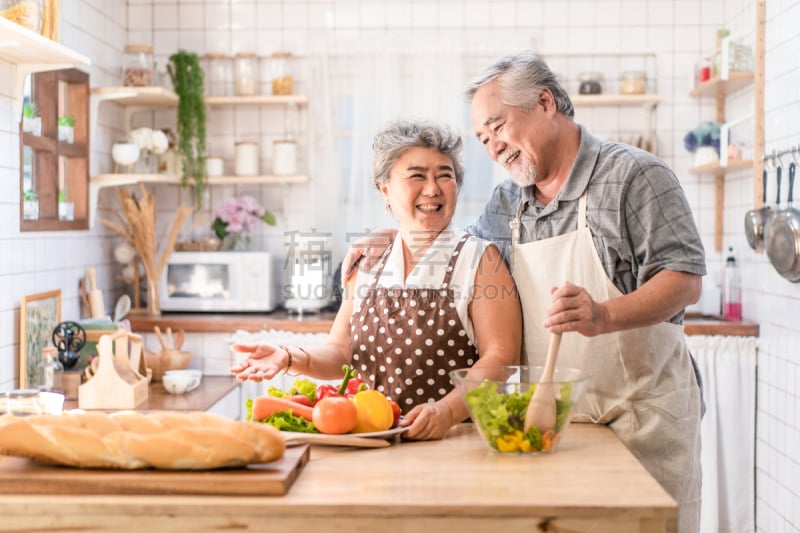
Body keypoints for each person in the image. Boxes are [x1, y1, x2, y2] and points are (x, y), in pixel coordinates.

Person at [345, 53, 706, 533]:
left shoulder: (634, 175)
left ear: (544, 102)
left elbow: (684, 278)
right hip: (553, 427)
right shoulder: (508, 201)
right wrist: (392, 233)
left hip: (642, 419)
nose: (493, 146)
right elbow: (454, 245)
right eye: (483, 138)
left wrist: (603, 315)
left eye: (497, 126)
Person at [230, 119, 522, 441]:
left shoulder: (479, 258)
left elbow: (501, 356)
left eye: (445, 175)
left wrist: (447, 411)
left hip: (457, 440)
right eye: (416, 176)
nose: (433, 189)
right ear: (385, 188)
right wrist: (289, 356)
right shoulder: (369, 261)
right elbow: (341, 352)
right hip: (371, 441)